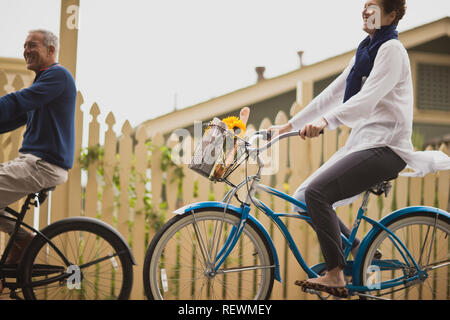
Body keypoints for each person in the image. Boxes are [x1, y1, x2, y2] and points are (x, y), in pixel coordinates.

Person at [268, 0, 450, 297]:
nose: (365, 11)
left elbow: (366, 99)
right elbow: (333, 94)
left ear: (391, 15)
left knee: (316, 194)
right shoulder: (367, 49)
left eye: (374, 7)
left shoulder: (392, 51)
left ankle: (335, 274)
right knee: (301, 198)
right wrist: (288, 127)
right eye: (364, 6)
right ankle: (362, 252)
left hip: (387, 148)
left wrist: (328, 121)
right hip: (364, 144)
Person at [0, 29, 76, 279]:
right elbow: (16, 116)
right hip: (35, 163)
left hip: (42, 165)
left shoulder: (57, 76)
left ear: (50, 50)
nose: (26, 51)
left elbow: (18, 101)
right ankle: (23, 240)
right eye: (24, 46)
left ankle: (24, 240)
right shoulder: (45, 82)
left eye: (32, 45)